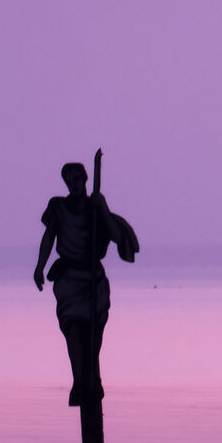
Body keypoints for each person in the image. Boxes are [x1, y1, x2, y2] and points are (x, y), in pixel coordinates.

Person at [33, 160, 139, 406]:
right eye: (69, 181)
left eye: (77, 179)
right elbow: (49, 236)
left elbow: (115, 235)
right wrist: (39, 266)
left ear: (85, 179)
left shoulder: (95, 208)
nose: (74, 185)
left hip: (93, 281)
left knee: (93, 337)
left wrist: (102, 208)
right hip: (69, 280)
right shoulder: (58, 207)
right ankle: (79, 382)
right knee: (72, 332)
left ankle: (94, 379)